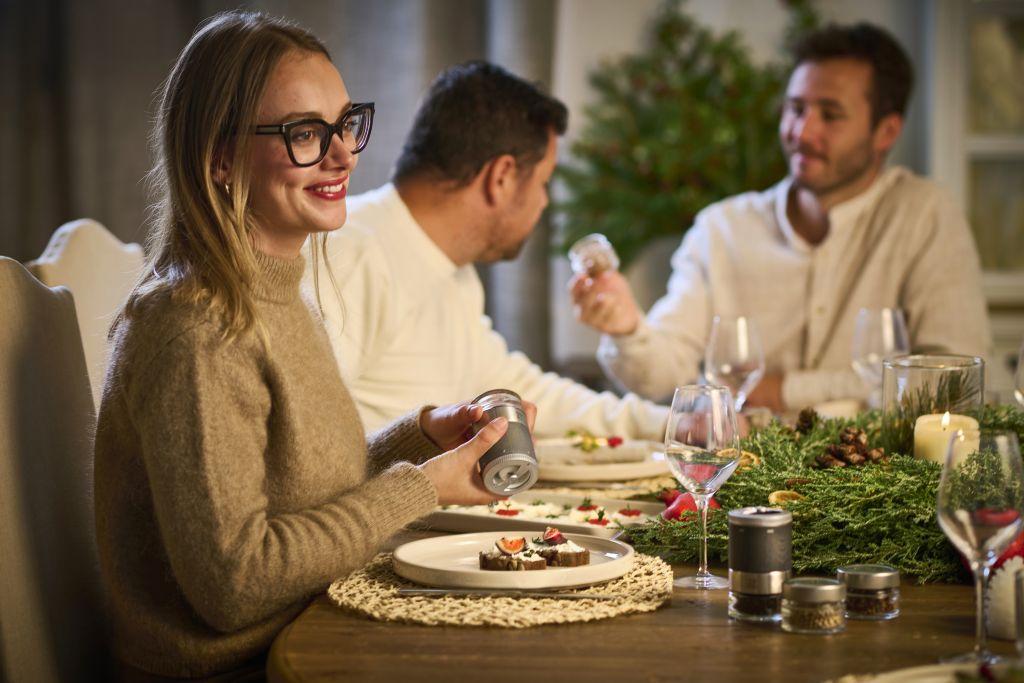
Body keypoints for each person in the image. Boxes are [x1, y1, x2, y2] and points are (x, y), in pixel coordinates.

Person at [93, 12, 524, 680]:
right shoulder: (194, 331)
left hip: (311, 634)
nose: (344, 154)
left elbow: (300, 495)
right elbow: (236, 582)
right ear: (221, 159)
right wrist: (418, 489)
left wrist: (421, 438)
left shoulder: (274, 294)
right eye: (304, 133)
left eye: (347, 123)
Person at [570, 23, 991, 412]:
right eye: (795, 108)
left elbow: (955, 384)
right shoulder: (722, 229)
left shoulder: (925, 215)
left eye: (830, 114)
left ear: (886, 132)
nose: (802, 132)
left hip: (884, 484)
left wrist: (783, 390)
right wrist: (627, 329)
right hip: (743, 480)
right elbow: (664, 376)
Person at [308, 61, 669, 439]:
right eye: (543, 182)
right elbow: (305, 445)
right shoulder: (350, 256)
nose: (544, 202)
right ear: (501, 177)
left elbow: (514, 389)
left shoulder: (448, 269)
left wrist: (672, 424)